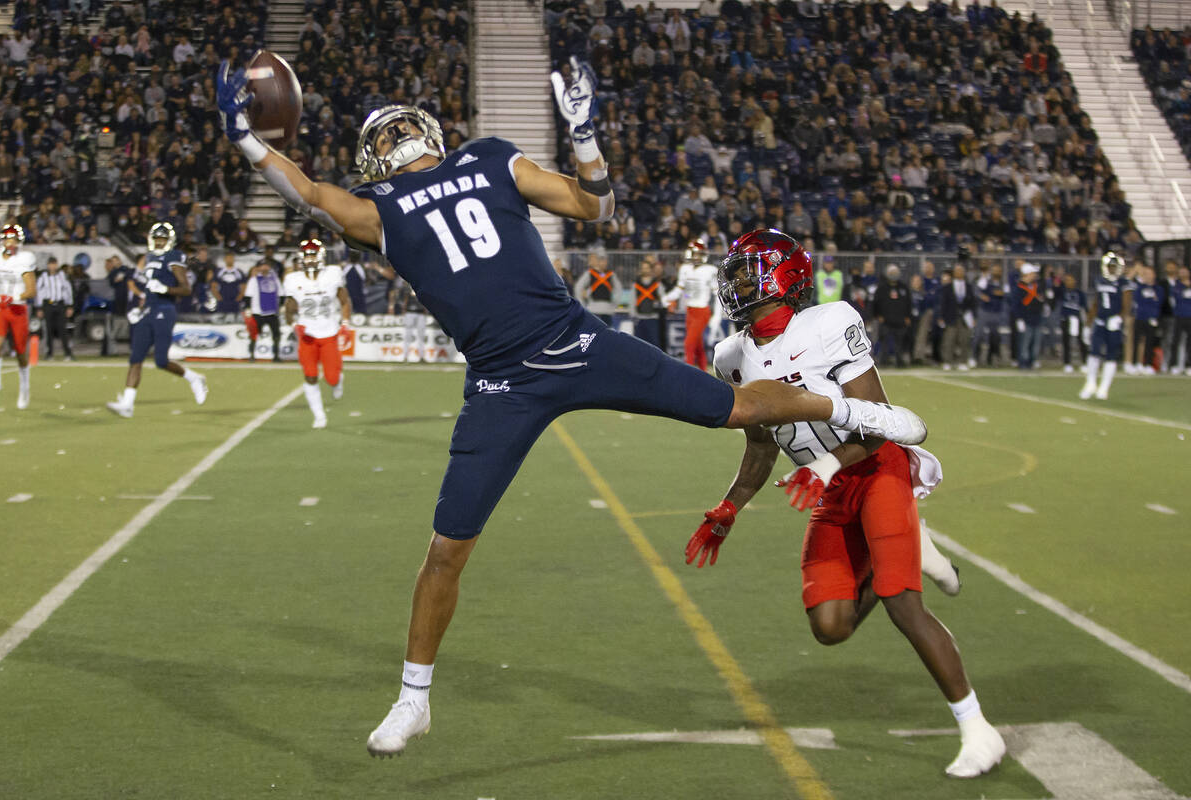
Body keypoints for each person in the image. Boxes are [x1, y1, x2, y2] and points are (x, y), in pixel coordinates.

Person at [216, 55, 929, 759]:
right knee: (453, 544)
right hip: (518, 374)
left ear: (405, 141)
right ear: (400, 146)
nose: (395, 141)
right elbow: (313, 195)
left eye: (393, 132)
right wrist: (246, 138)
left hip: (561, 350)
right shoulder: (426, 187)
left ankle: (863, 417)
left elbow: (590, 206)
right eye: (391, 133)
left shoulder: (440, 180)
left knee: (729, 411)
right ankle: (413, 700)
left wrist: (583, 136)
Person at [689, 228, 1003, 779]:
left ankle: (978, 729)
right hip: (825, 486)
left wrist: (829, 464)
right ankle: (903, 552)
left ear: (783, 275)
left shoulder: (828, 323)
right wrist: (730, 507)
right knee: (830, 625)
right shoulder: (731, 355)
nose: (736, 283)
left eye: (747, 272)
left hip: (873, 467)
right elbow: (760, 444)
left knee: (903, 603)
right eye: (734, 273)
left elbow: (880, 423)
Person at [106, 223, 209, 417]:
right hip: (149, 310)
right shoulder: (150, 257)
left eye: (163, 239)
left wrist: (165, 289)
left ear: (169, 241)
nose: (159, 243)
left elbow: (186, 288)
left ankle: (194, 378)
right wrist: (140, 309)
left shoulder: (174, 256)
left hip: (165, 310)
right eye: (157, 239)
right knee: (135, 358)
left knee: (161, 361)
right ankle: (127, 404)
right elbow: (149, 290)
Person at [283, 238, 352, 428]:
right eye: (307, 256)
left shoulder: (332, 274)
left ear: (321, 257)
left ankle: (338, 381)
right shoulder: (293, 279)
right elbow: (289, 309)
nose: (310, 260)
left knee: (332, 378)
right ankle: (319, 415)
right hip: (307, 336)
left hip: (329, 333)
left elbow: (344, 301)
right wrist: (294, 324)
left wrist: (345, 324)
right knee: (310, 375)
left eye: (313, 256)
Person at [0, 224, 36, 408]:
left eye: (14, 240)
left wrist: (15, 297)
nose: (11, 243)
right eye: (8, 239)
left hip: (17, 308)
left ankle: (25, 387)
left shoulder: (25, 259)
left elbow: (31, 290)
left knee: (20, 351)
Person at [1080, 252, 1132, 400]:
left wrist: (1119, 318)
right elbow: (1096, 303)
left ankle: (1104, 387)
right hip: (1100, 321)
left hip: (1114, 323)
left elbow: (1127, 305)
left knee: (1111, 355)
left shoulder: (1123, 283)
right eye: (1110, 266)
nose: (1112, 269)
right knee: (1094, 353)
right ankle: (1090, 383)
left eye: (1114, 266)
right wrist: (1088, 324)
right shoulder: (1100, 280)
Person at [667, 237, 718, 370]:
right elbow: (683, 291)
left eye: (698, 254)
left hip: (702, 310)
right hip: (690, 310)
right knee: (698, 346)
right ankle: (703, 371)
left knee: (688, 344)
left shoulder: (710, 270)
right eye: (694, 253)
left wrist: (717, 316)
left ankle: (687, 373)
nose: (696, 257)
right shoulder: (685, 268)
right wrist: (667, 299)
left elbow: (717, 294)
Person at [243, 259, 285, 361]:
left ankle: (276, 356)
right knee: (254, 334)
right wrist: (248, 308)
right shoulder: (254, 280)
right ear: (258, 268)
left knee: (276, 334)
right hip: (258, 312)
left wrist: (281, 305)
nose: (264, 268)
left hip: (272, 312)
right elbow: (248, 295)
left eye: (266, 265)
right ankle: (251, 355)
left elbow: (281, 293)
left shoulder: (275, 279)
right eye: (262, 266)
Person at [35, 257, 75, 360]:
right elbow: (39, 292)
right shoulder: (43, 276)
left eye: (54, 264)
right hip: (48, 305)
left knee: (63, 329)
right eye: (51, 264)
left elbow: (68, 290)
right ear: (48, 265)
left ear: (57, 265)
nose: (52, 266)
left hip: (60, 305)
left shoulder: (62, 275)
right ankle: (49, 354)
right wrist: (39, 307)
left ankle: (68, 353)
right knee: (48, 330)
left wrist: (70, 306)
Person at [1126, 265, 1163, 375]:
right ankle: (1133, 363)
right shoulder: (1139, 287)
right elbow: (1138, 300)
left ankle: (1147, 364)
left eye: (1149, 273)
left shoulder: (1159, 289)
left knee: (1149, 342)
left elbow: (1158, 303)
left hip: (1151, 319)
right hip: (1139, 317)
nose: (1147, 276)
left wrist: (1153, 314)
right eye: (1145, 274)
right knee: (1135, 341)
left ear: (1154, 275)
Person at [937, 264, 974, 371]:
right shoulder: (947, 287)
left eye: (961, 271)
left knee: (964, 340)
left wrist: (974, 317)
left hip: (965, 317)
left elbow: (973, 303)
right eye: (957, 271)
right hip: (951, 316)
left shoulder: (968, 287)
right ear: (954, 273)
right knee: (949, 340)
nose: (959, 273)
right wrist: (941, 316)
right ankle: (947, 362)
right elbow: (943, 303)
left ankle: (963, 362)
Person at [573, 249, 620, 326]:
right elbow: (578, 287)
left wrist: (614, 304)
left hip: (607, 310)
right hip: (593, 309)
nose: (603, 262)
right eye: (601, 260)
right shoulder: (589, 273)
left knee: (607, 331)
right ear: (598, 261)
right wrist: (582, 303)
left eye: (605, 260)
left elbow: (618, 290)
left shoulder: (611, 275)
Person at [1010, 263, 1043, 370]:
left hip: (1037, 317)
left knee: (1035, 343)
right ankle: (1023, 362)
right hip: (1025, 318)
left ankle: (1032, 362)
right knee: (1024, 342)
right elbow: (1016, 305)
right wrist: (1019, 318)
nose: (1034, 275)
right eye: (1032, 273)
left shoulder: (1035, 286)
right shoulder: (1019, 287)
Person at [1055, 272, 1086, 373]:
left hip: (1077, 318)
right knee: (1066, 341)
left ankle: (1085, 362)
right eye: (1067, 280)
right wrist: (1058, 279)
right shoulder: (1062, 291)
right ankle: (1067, 363)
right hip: (1066, 319)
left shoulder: (1079, 293)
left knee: (1081, 341)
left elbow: (1084, 306)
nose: (1069, 282)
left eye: (1070, 280)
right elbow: (1055, 292)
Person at [631, 256, 665, 348]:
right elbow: (632, 300)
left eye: (647, 268)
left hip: (653, 318)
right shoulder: (636, 284)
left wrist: (658, 305)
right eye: (643, 268)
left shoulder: (657, 284)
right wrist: (633, 315)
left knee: (654, 344)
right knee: (638, 345)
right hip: (639, 318)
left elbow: (663, 300)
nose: (645, 270)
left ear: (651, 269)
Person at [1170, 267, 1191, 374]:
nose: (1183, 274)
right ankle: (1173, 365)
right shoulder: (1176, 286)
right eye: (1181, 272)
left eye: (1185, 272)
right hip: (1179, 316)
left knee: (1190, 343)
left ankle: (1188, 365)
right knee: (1175, 341)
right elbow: (1176, 299)